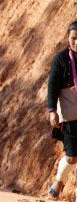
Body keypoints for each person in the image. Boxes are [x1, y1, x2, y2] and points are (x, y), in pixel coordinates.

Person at [47, 20, 77, 200]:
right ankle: (58, 181)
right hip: (69, 116)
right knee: (72, 157)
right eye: (74, 38)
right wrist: (52, 110)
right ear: (68, 38)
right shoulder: (60, 60)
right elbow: (52, 87)